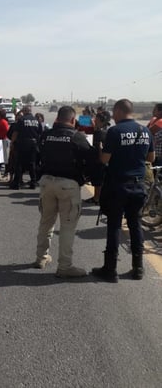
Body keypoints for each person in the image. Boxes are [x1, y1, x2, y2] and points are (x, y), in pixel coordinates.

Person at [92, 99, 154, 282]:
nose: (112, 116)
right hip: (138, 186)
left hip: (118, 185)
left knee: (114, 226)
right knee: (135, 225)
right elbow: (151, 157)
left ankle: (110, 269)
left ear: (118, 112)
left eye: (113, 112)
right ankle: (138, 268)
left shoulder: (115, 131)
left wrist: (101, 149)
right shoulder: (145, 130)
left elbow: (104, 160)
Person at [33, 106, 96, 277]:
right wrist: (86, 178)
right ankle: (65, 267)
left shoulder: (46, 135)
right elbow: (92, 160)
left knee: (46, 223)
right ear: (73, 120)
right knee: (67, 227)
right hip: (68, 184)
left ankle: (41, 258)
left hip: (46, 182)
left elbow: (37, 156)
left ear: (57, 119)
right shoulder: (77, 137)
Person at [10, 105, 43, 189]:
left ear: (24, 111)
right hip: (33, 144)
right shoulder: (36, 120)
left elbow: (15, 133)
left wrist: (12, 142)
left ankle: (17, 183)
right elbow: (40, 133)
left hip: (22, 144)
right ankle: (33, 183)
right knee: (32, 164)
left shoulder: (21, 120)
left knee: (19, 163)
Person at [84, 110, 111, 205]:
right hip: (98, 160)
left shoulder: (101, 133)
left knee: (98, 181)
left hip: (99, 160)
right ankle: (97, 197)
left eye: (97, 119)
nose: (95, 120)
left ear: (102, 120)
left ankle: (97, 198)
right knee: (97, 181)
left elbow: (100, 148)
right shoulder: (103, 131)